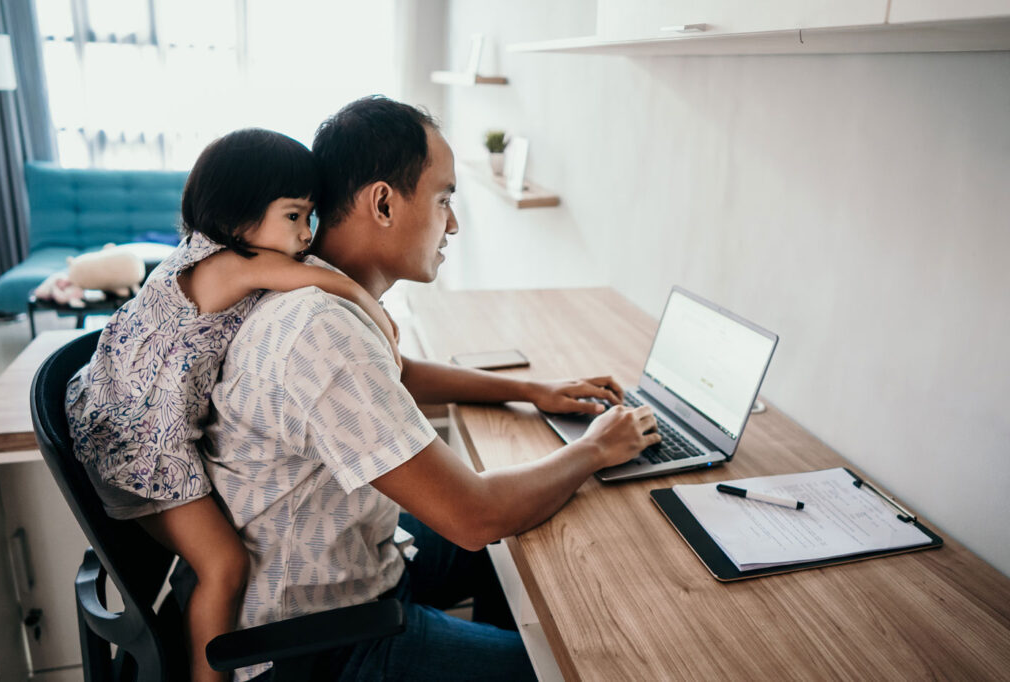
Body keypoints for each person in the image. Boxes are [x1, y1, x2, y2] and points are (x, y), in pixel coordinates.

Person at [202, 97, 661, 681]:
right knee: (578, 668)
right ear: (384, 203)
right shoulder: (322, 331)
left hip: (358, 564)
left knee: (524, 550)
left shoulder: (322, 297)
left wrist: (532, 390)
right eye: (445, 199)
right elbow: (474, 515)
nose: (454, 223)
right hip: (316, 644)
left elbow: (398, 374)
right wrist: (595, 448)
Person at [65, 128, 403, 682]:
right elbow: (311, 278)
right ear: (237, 213)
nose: (307, 232)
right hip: (141, 448)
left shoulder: (209, 257)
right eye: (293, 216)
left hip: (126, 421)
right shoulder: (229, 265)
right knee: (223, 565)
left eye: (310, 216)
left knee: (223, 557)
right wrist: (374, 310)